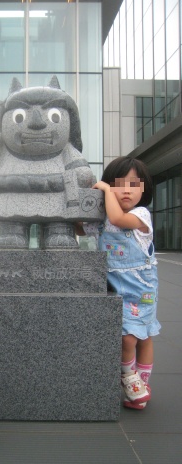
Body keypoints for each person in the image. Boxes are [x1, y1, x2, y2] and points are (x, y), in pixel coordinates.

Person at [77, 156, 160, 410]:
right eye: (119, 184)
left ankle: (134, 381)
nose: (126, 190)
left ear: (143, 189)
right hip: (115, 285)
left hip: (140, 288)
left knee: (139, 336)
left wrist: (105, 188)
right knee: (131, 336)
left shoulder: (140, 215)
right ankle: (133, 382)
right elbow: (81, 230)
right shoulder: (105, 220)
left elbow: (118, 220)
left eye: (133, 184)